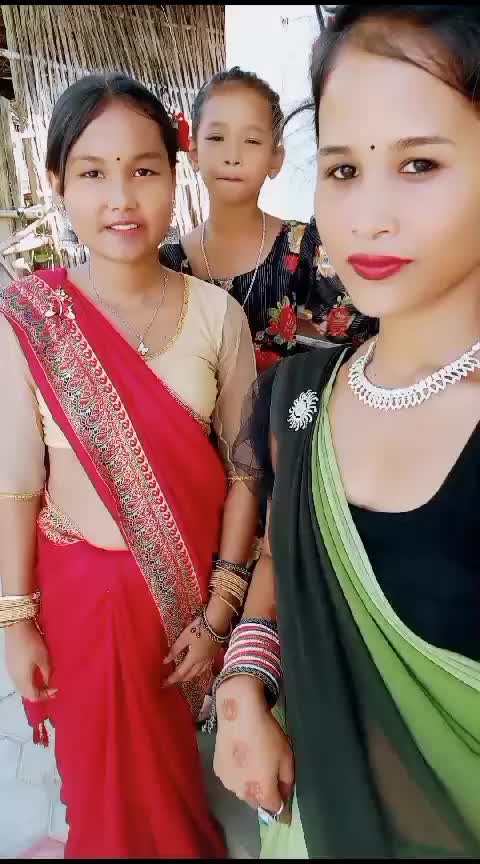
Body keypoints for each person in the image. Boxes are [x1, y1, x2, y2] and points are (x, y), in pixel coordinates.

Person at [212, 5, 480, 858]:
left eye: (418, 163)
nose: (368, 214)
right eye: (343, 169)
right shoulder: (297, 398)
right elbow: (281, 562)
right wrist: (247, 680)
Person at [0, 74, 259, 858]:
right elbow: (17, 483)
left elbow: (247, 471)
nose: (121, 197)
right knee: (100, 788)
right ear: (56, 183)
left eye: (144, 169)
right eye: (92, 172)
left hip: (186, 599)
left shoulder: (218, 316)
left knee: (176, 782)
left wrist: (221, 609)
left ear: (174, 178)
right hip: (82, 600)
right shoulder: (30, 318)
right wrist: (16, 620)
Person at [161, 67, 376, 370]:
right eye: (217, 137)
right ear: (194, 153)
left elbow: (365, 349)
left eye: (251, 141)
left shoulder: (308, 252)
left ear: (275, 159)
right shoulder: (168, 265)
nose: (233, 155)